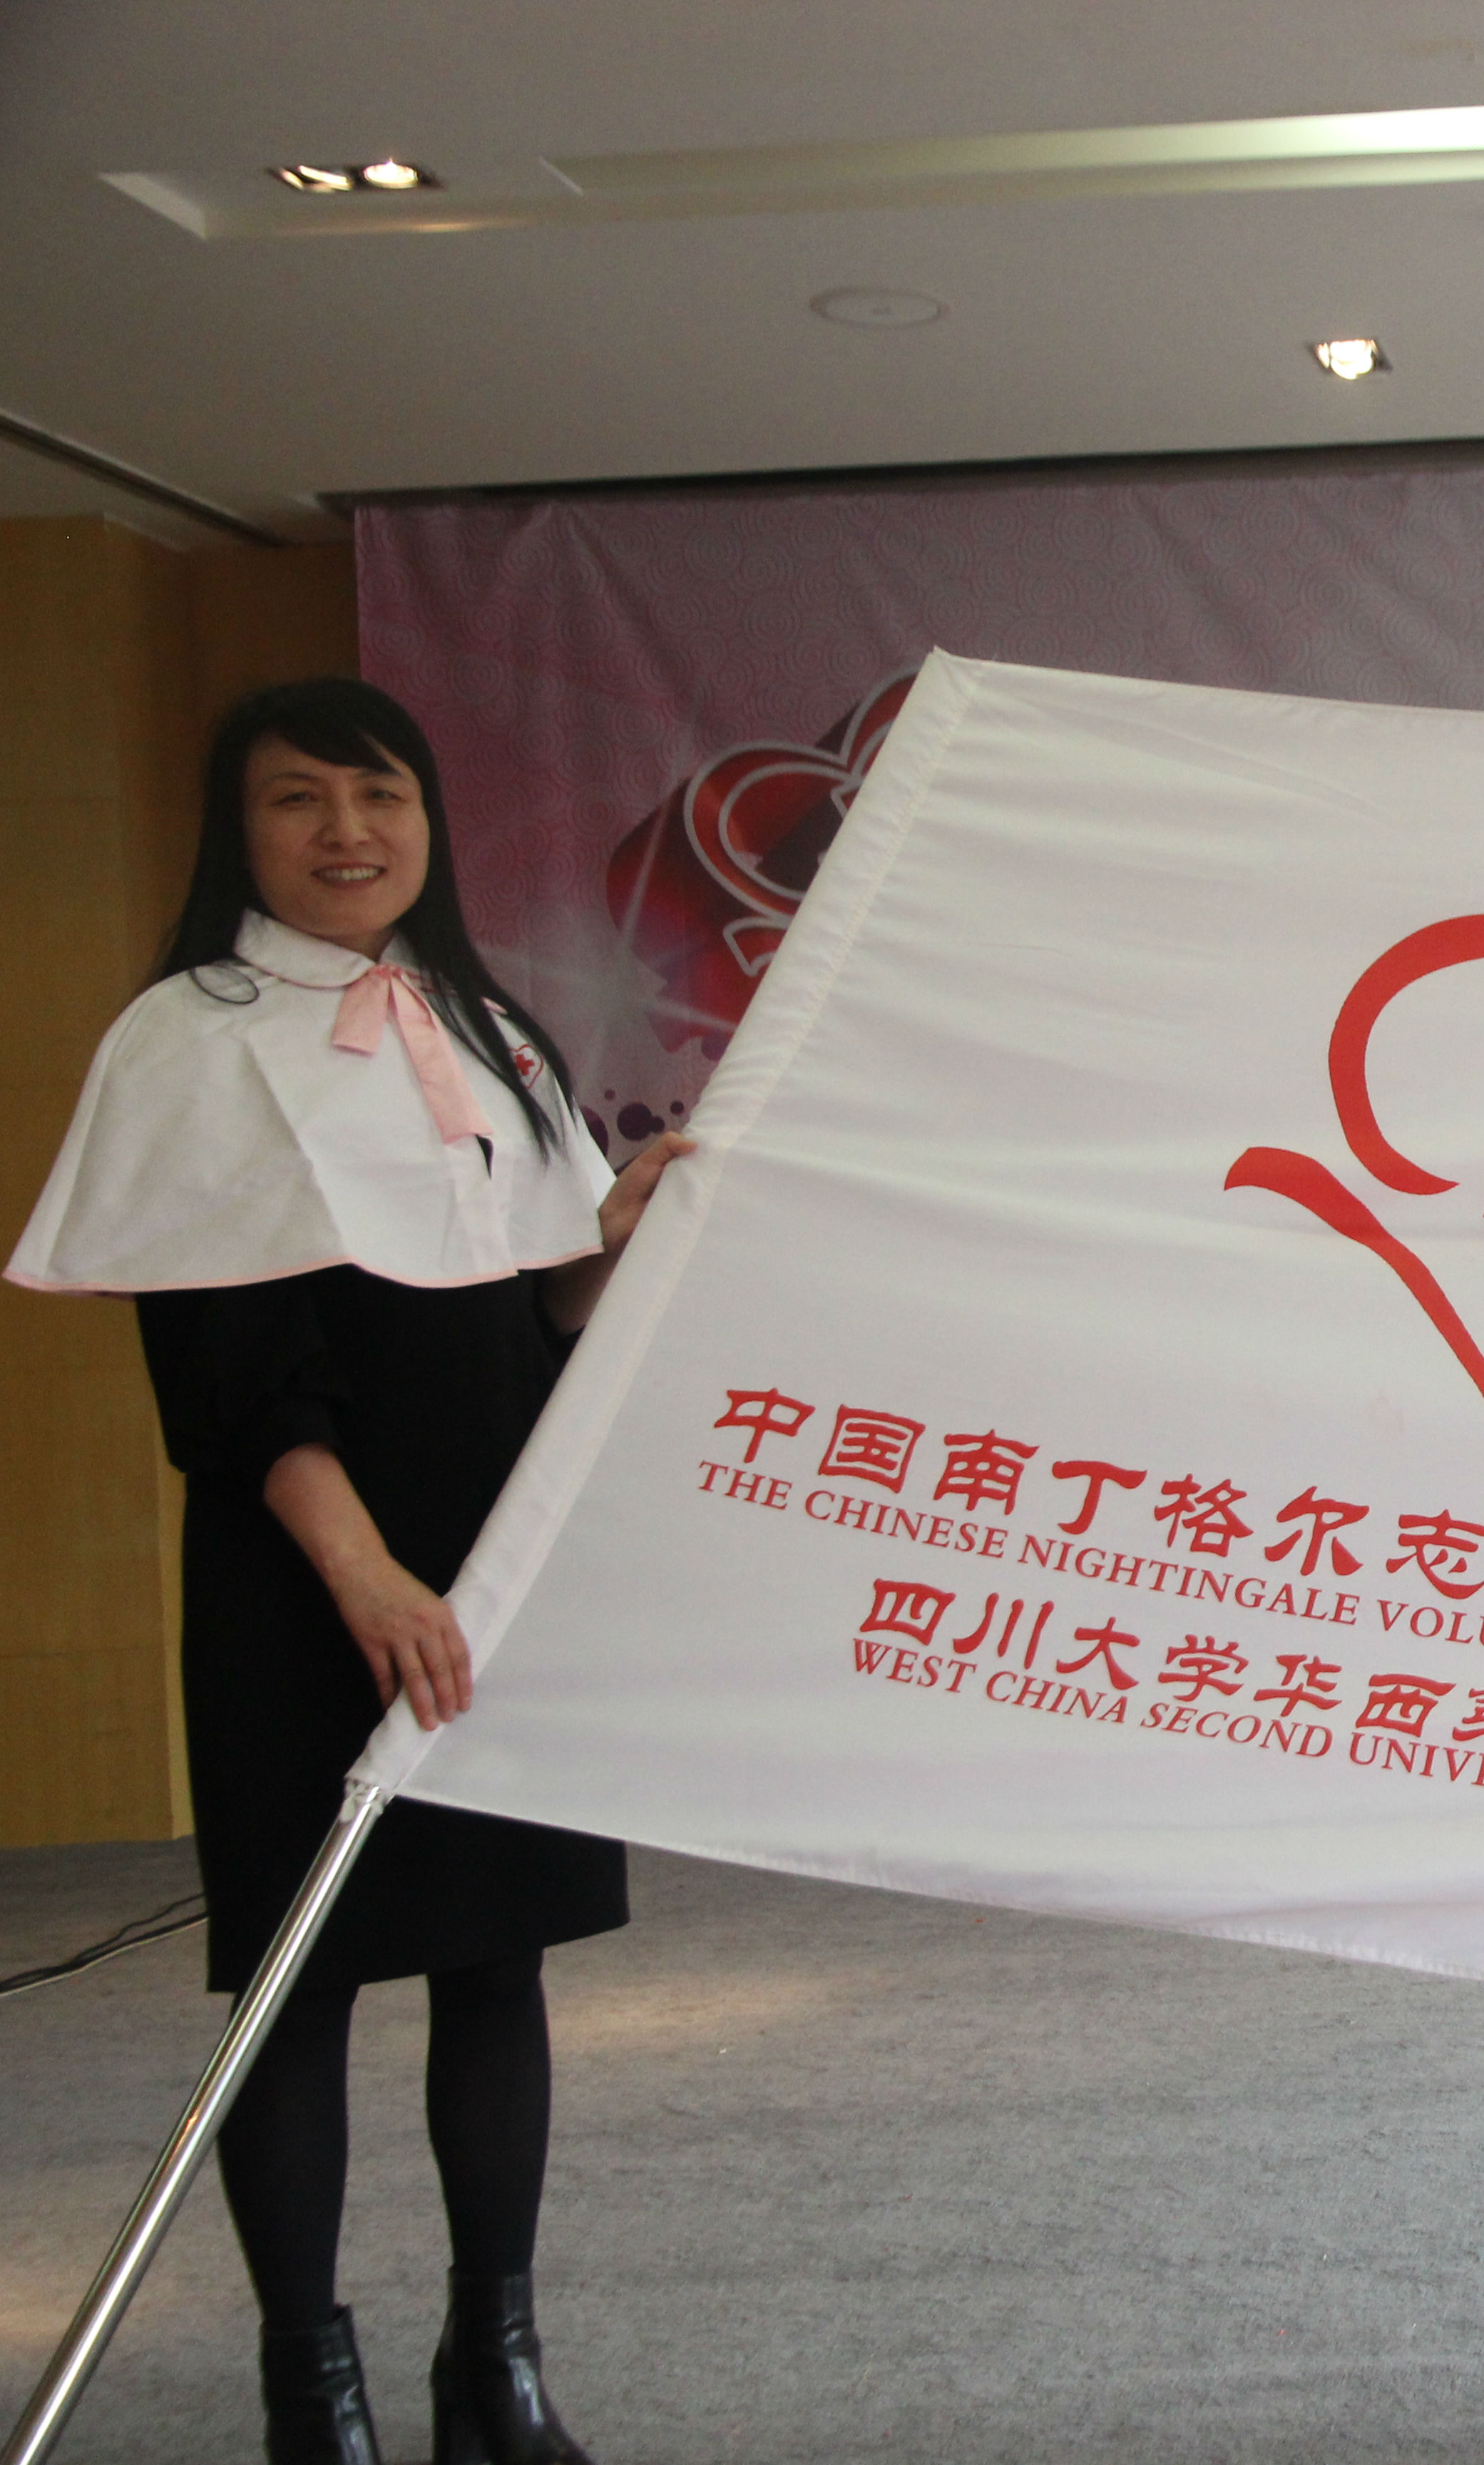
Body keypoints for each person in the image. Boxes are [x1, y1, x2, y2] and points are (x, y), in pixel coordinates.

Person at [10, 680, 688, 2465]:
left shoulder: (490, 1025)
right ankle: (310, 2392)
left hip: (487, 1566)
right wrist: (369, 1577)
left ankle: (496, 2371)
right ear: (235, 832)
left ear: (427, 820)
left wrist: (612, 1237)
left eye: (378, 796)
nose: (345, 833)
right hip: (307, 1571)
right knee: (294, 1986)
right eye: (296, 800)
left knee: (499, 1961)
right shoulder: (187, 1038)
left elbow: (529, 1321)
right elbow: (234, 1369)